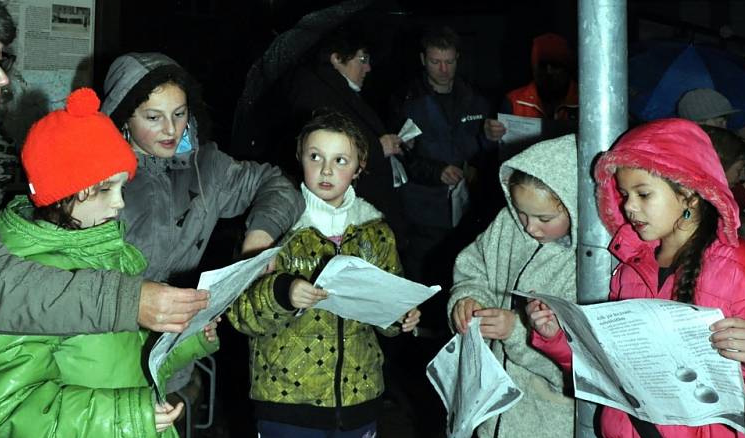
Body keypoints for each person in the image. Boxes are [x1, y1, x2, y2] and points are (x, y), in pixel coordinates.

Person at [0, 2, 207, 438]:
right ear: (65, 195)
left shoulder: (103, 246)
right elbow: (7, 406)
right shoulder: (29, 260)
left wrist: (191, 332)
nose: (1, 78)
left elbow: (120, 353)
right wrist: (128, 419)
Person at [527, 118, 745, 438]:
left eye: (643, 193)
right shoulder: (631, 269)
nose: (628, 206)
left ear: (690, 192)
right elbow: (608, 373)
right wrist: (556, 336)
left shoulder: (740, 272)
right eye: (623, 193)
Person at [226, 110, 420, 438]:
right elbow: (238, 312)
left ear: (359, 167)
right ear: (300, 161)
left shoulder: (375, 231)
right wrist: (281, 294)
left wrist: (401, 319)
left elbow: (388, 304)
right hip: (287, 406)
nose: (327, 170)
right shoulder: (278, 226)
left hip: (357, 406)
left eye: (340, 160)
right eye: (316, 157)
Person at [101, 52, 303, 397]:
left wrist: (260, 235)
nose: (170, 129)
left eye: (179, 114)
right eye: (153, 117)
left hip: (176, 360)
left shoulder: (205, 166)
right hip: (103, 364)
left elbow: (277, 184)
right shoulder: (96, 174)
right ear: (123, 117)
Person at [450, 134, 577, 438]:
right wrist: (468, 300)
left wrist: (517, 333)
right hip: (508, 396)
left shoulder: (589, 260)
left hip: (551, 408)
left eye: (545, 217)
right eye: (522, 212)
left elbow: (577, 354)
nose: (531, 226)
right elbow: (473, 266)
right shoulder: (510, 224)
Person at [391, 26, 496, 334]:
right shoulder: (405, 100)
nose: (443, 69)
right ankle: (419, 331)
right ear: (423, 60)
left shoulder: (475, 99)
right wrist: (435, 171)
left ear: (458, 59)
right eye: (436, 61)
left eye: (449, 61)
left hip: (465, 207)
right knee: (424, 269)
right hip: (423, 206)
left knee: (461, 266)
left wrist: (489, 144)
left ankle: (454, 326)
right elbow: (400, 155)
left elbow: (484, 150)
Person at [287, 27, 404, 232]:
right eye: (362, 59)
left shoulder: (337, 90)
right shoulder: (320, 94)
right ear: (337, 59)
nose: (367, 67)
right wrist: (378, 147)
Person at [483, 33, 579, 142]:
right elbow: (494, 145)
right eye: (542, 65)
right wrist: (490, 134)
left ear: (567, 67)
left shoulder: (586, 102)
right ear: (533, 68)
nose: (549, 72)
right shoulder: (514, 101)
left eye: (555, 64)